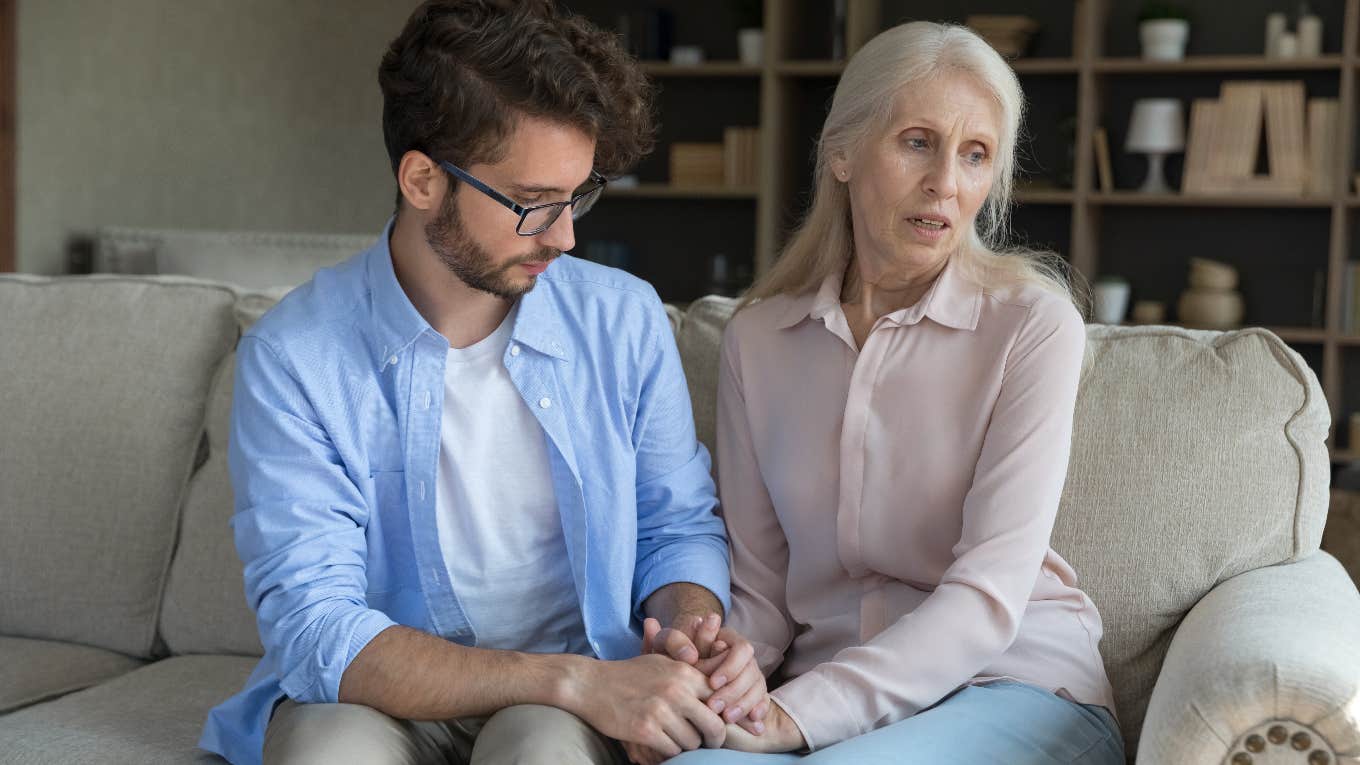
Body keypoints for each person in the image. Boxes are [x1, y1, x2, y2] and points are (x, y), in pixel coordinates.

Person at [198, 2, 766, 763]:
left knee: (539, 751)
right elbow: (318, 628)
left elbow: (675, 527)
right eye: (533, 204)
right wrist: (570, 681)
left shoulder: (623, 322)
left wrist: (691, 629)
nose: (565, 236)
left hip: (569, 703)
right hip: (379, 699)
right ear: (424, 179)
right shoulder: (295, 358)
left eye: (577, 197)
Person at [674, 21, 1124, 764]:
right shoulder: (757, 341)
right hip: (817, 697)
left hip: (1013, 683)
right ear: (842, 152)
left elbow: (986, 596)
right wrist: (717, 684)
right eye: (917, 141)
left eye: (975, 155)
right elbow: (761, 592)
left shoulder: (1032, 327)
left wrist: (796, 713)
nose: (946, 182)